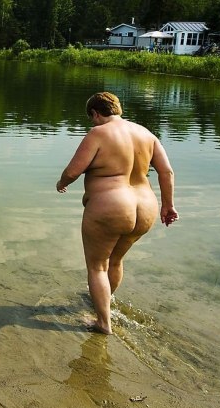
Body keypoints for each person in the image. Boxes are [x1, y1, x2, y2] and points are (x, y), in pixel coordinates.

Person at [55, 92, 177, 335]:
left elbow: (73, 171)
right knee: (116, 260)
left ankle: (103, 322)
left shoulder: (98, 133)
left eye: (91, 118)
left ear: (95, 113)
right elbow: (167, 172)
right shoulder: (146, 134)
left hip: (111, 205)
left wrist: (62, 183)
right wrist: (168, 205)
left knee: (97, 267)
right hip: (145, 206)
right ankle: (103, 303)